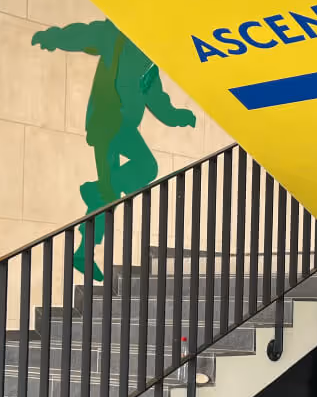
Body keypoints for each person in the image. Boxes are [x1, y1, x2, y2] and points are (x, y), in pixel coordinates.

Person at [32, 19, 196, 279]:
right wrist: (53, 37)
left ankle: (91, 212)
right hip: (105, 122)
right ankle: (86, 242)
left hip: (125, 128)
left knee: (138, 173)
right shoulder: (115, 36)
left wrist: (178, 116)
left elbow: (157, 100)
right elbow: (85, 34)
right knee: (114, 189)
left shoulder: (149, 65)